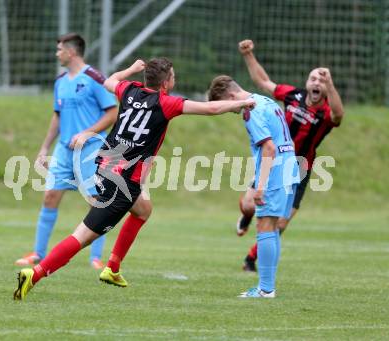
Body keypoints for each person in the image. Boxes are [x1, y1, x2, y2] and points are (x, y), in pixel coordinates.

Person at [13, 57, 256, 300]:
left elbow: (110, 81)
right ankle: (34, 274)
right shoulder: (166, 103)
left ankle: (113, 268)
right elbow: (211, 109)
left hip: (106, 167)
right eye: (173, 76)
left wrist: (130, 69)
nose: (175, 79)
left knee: (143, 210)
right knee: (82, 237)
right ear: (166, 83)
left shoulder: (129, 90)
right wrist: (246, 101)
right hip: (122, 184)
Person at [236, 39, 345, 272]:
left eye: (322, 80)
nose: (317, 82)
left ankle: (251, 259)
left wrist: (331, 83)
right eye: (314, 78)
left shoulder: (326, 113)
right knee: (248, 205)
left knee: (281, 221)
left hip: (299, 168)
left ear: (327, 88)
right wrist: (248, 55)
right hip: (273, 160)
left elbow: (338, 115)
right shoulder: (292, 96)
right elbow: (263, 82)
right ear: (307, 83)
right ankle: (246, 217)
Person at [14, 33, 118, 271]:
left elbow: (112, 113)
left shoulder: (94, 78)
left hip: (90, 150)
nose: (57, 53)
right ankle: (38, 254)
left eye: (60, 49)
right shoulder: (60, 81)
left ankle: (96, 257)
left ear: (71, 52)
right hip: (64, 151)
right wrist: (44, 147)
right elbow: (57, 116)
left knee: (97, 202)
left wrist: (86, 133)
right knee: (50, 195)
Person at [208, 75, 299, 298]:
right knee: (273, 227)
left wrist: (260, 185)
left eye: (224, 105)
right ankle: (267, 287)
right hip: (291, 168)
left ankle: (265, 289)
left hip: (276, 173)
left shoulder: (251, 110)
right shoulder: (266, 101)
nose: (228, 110)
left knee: (264, 227)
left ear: (230, 96)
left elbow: (269, 148)